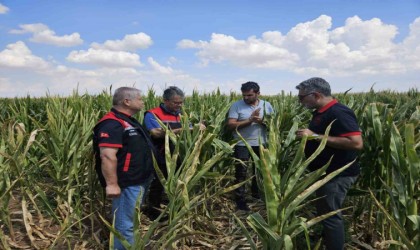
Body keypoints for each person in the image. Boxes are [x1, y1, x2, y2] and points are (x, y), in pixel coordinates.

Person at [295, 77, 363, 250]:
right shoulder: (321, 112)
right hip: (325, 173)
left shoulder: (338, 112)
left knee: (330, 216)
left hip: (336, 174)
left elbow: (356, 143)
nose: (300, 101)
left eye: (302, 97)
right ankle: (326, 240)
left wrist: (314, 136)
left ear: (316, 94)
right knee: (325, 212)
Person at [93, 87, 155, 250]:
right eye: (140, 99)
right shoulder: (112, 123)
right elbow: (107, 156)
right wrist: (112, 184)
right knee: (124, 224)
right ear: (127, 101)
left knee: (131, 220)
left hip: (138, 180)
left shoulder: (129, 120)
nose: (142, 101)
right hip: (126, 183)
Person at [143, 86, 205, 219]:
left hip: (178, 156)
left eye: (181, 102)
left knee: (177, 182)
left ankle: (174, 208)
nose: (179, 105)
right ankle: (153, 212)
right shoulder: (152, 114)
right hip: (159, 155)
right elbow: (156, 133)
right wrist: (186, 129)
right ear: (165, 100)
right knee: (158, 182)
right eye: (176, 103)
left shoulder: (181, 115)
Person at [227, 81, 274, 211]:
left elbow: (274, 125)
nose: (246, 98)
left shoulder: (267, 105)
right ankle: (240, 200)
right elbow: (230, 125)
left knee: (258, 171)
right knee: (241, 171)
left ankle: (256, 195)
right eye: (244, 95)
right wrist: (250, 120)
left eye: (249, 95)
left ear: (258, 93)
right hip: (242, 144)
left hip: (261, 144)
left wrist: (263, 121)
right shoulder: (236, 106)